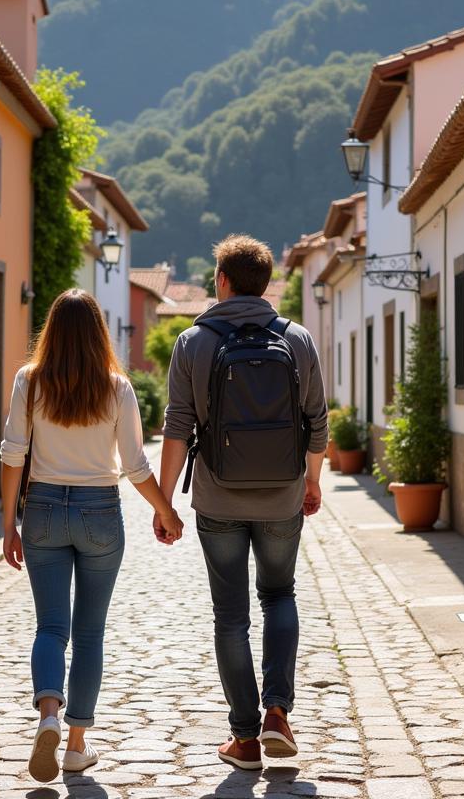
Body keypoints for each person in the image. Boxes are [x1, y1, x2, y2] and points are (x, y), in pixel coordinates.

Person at [157, 234, 328, 771]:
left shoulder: (192, 342)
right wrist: (312, 482)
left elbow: (177, 428)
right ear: (267, 281)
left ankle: (245, 738)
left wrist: (164, 503)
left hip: (218, 498)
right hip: (281, 496)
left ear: (223, 281)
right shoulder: (297, 339)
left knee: (230, 615)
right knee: (280, 596)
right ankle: (278, 713)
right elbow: (318, 422)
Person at [0, 289, 184, 784]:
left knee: (50, 627)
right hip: (99, 511)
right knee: (89, 634)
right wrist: (165, 511)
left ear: (52, 332)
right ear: (100, 334)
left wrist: (7, 526)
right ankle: (76, 745)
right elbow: (135, 465)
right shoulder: (118, 387)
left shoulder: (29, 381)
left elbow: (12, 455)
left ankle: (47, 714)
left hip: (41, 509)